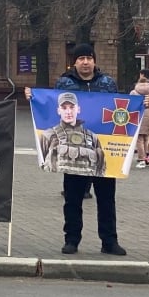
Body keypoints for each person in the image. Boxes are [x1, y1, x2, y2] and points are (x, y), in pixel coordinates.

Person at [27, 43, 125, 256]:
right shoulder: (65, 82)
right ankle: (71, 239)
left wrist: (139, 104)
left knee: (107, 199)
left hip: (101, 149)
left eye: (89, 58)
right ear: (75, 62)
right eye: (81, 58)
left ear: (94, 61)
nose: (85, 62)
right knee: (73, 199)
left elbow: (121, 107)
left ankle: (109, 241)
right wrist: (33, 97)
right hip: (72, 150)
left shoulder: (107, 83)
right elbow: (51, 106)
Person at [40, 92, 106, 176]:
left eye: (72, 107)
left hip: (85, 182)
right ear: (58, 111)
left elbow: (101, 168)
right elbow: (41, 164)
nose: (68, 112)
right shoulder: (48, 135)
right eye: (64, 108)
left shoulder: (92, 137)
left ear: (78, 109)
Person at [130, 75, 149, 168]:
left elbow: (130, 104)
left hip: (138, 116)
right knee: (147, 139)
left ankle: (141, 159)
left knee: (139, 140)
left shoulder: (134, 92)